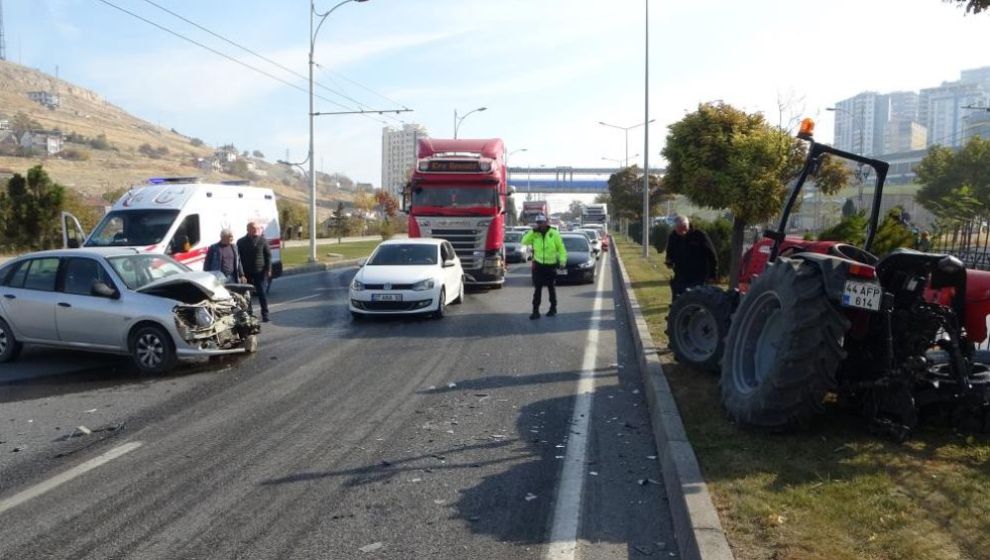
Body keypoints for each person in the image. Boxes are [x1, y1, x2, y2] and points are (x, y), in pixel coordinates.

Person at [521, 213, 567, 320]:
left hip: (550, 265)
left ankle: (553, 308)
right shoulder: (534, 234)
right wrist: (532, 231)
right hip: (538, 265)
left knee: (551, 288)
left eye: (541, 222)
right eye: (538, 223)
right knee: (537, 289)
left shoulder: (554, 233)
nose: (539, 225)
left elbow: (561, 249)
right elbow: (524, 241)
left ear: (546, 222)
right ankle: (535, 311)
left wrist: (562, 261)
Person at [664, 215, 718, 300]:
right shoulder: (673, 237)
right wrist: (669, 261)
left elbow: (711, 255)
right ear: (675, 228)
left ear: (688, 225)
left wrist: (712, 275)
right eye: (679, 229)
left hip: (698, 276)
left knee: (695, 300)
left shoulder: (699, 235)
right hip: (680, 276)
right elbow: (669, 252)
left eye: (684, 227)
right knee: (678, 301)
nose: (682, 231)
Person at [237, 221, 272, 322]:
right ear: (248, 230)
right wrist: (241, 273)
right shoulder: (241, 242)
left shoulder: (263, 240)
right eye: (254, 228)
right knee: (246, 295)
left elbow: (268, 256)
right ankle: (248, 314)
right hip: (246, 272)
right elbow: (238, 259)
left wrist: (268, 269)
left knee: (262, 293)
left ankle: (265, 314)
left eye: (258, 228)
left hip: (260, 272)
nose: (256, 230)